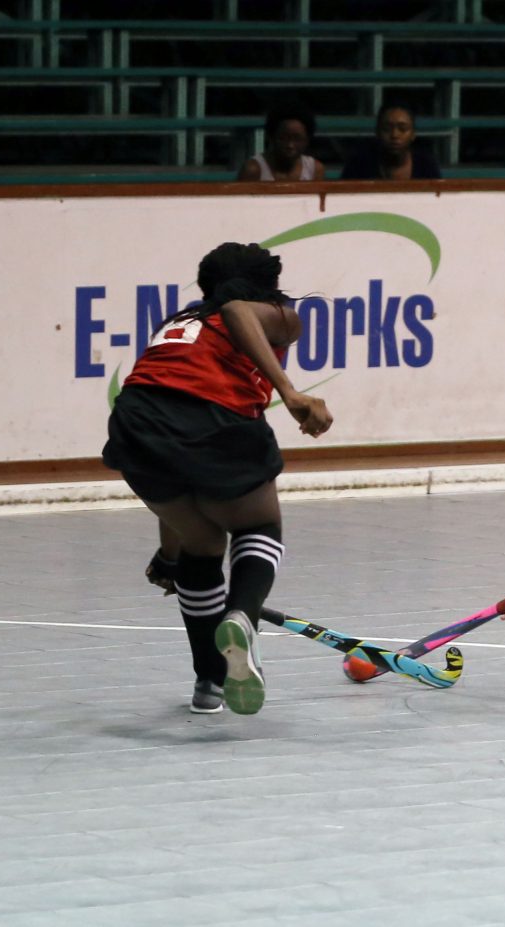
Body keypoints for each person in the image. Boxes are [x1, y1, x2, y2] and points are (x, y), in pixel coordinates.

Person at [103, 242, 334, 716]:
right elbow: (234, 310)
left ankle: (210, 680)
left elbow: (173, 418)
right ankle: (243, 619)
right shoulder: (280, 317)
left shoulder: (176, 324)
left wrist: (168, 557)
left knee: (201, 544)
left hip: (135, 423)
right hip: (211, 415)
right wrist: (289, 392)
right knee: (259, 526)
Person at [340, 101, 443, 180]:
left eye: (402, 129)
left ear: (413, 134)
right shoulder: (358, 165)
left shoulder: (426, 166)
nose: (394, 135)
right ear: (377, 132)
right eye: (387, 129)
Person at [236, 102, 326, 182]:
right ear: (271, 137)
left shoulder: (314, 169)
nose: (290, 145)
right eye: (283, 138)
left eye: (297, 139)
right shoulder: (253, 170)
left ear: (307, 140)